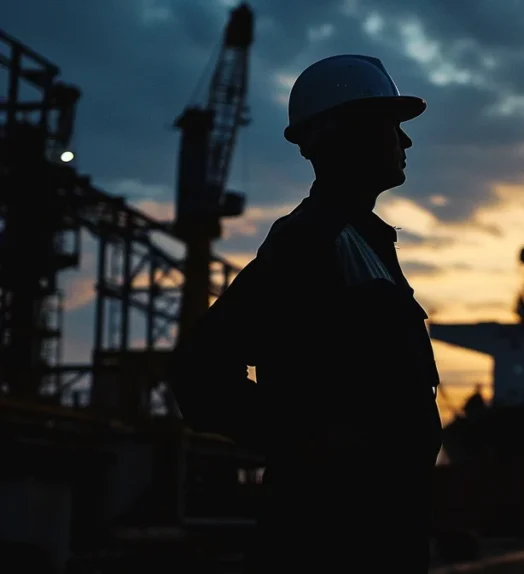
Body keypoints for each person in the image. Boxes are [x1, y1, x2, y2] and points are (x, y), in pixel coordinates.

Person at [168, 54, 443, 572]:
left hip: (379, 536)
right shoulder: (309, 241)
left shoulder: (360, 241)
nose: (405, 142)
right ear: (348, 135)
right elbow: (198, 371)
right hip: (330, 542)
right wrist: (312, 451)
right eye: (391, 127)